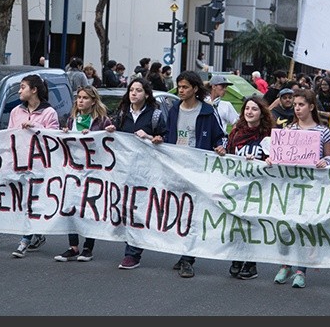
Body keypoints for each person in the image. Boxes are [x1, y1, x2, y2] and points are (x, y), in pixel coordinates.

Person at [267, 88, 330, 289]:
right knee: (284, 226)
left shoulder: (323, 132)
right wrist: (272, 158)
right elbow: (278, 156)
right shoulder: (288, 131)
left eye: (301, 105)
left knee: (305, 226)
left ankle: (300, 270)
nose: (297, 108)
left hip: (311, 186)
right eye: (295, 105)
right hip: (289, 186)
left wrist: (325, 161)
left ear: (311, 107)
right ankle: (284, 264)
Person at [164, 70, 227, 278]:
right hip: (177, 167)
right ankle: (183, 252)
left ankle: (188, 259)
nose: (181, 91)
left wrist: (220, 147)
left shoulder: (208, 111)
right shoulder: (173, 110)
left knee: (193, 214)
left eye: (185, 87)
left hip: (199, 169)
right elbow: (168, 135)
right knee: (180, 212)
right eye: (179, 87)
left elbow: (221, 136)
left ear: (195, 89)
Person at [113, 78, 169, 271]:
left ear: (146, 94)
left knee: (139, 208)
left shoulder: (155, 116)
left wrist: (154, 138)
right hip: (125, 169)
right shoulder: (121, 114)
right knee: (125, 209)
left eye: (138, 90)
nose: (133, 93)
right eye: (131, 90)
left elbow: (166, 139)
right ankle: (130, 246)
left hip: (147, 171)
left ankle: (132, 253)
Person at [53, 85, 112, 262]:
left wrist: (103, 132)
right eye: (79, 97)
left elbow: (110, 140)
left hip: (93, 170)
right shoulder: (72, 120)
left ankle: (88, 247)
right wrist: (64, 134)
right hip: (73, 170)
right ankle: (73, 246)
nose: (81, 101)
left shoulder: (101, 120)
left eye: (85, 98)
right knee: (70, 207)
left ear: (93, 101)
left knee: (89, 208)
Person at [10, 74, 61, 258]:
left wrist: (35, 126)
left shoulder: (49, 113)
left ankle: (24, 240)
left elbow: (55, 138)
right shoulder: (16, 111)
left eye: (22, 87)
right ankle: (36, 232)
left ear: (34, 90)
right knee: (24, 202)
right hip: (21, 163)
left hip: (40, 165)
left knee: (33, 201)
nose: (19, 91)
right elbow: (9, 136)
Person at [226, 95, 273, 280]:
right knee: (236, 223)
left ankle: (251, 263)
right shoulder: (236, 132)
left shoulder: (269, 134)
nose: (249, 112)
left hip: (260, 187)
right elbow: (230, 155)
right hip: (239, 185)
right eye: (247, 109)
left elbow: (275, 159)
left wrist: (264, 161)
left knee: (252, 224)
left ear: (262, 113)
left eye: (254, 109)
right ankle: (237, 258)